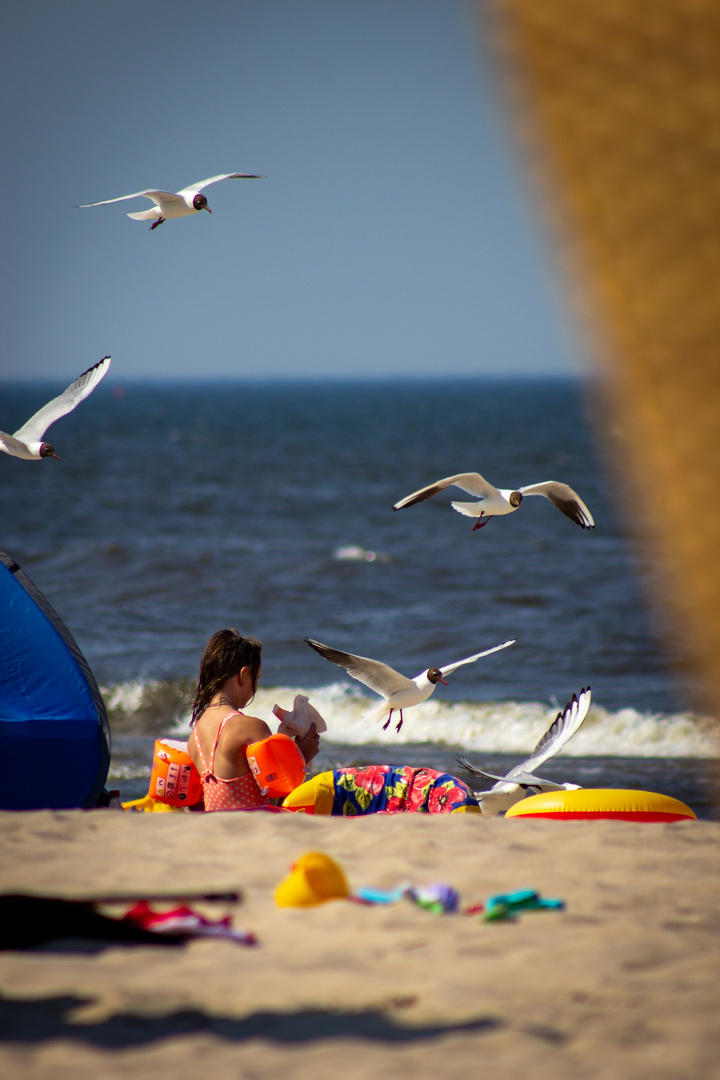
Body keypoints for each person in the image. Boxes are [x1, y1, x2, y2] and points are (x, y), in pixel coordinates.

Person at [187, 629, 320, 811]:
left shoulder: (194, 738)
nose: (255, 687)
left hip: (217, 832)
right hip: (252, 831)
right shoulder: (250, 728)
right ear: (243, 675)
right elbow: (276, 801)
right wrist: (302, 757)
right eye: (256, 679)